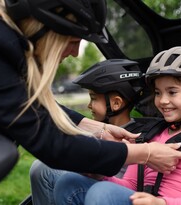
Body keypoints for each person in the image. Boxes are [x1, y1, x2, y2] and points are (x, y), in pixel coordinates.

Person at [0, 0, 181, 204]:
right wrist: (146, 154)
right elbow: (49, 143)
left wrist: (95, 127)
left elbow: (24, 104)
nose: (74, 52)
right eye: (73, 40)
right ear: (47, 27)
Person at [53, 46, 181, 205]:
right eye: (158, 93)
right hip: (141, 200)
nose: (163, 100)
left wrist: (161, 203)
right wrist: (99, 175)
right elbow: (130, 184)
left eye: (172, 92)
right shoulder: (153, 134)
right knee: (68, 183)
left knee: (102, 193)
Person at [29, 59, 146, 205]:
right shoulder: (99, 132)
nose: (89, 105)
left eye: (93, 99)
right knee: (41, 168)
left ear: (116, 103)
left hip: (108, 192)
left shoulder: (134, 137)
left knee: (47, 171)